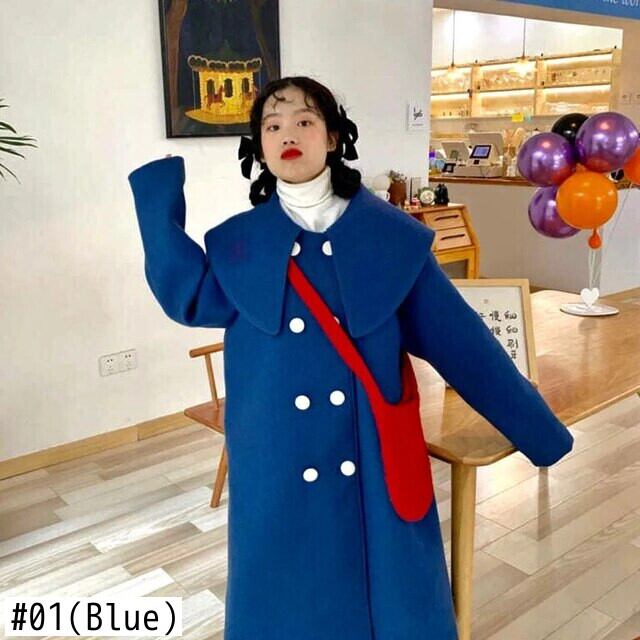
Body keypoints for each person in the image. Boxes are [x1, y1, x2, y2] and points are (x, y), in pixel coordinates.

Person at [128, 76, 574, 640]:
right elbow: (185, 295)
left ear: (333, 136)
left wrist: (540, 433)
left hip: (371, 453)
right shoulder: (239, 245)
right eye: (272, 126)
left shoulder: (390, 239)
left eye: (304, 121)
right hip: (277, 460)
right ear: (259, 147)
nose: (288, 134)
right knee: (285, 599)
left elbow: (466, 347)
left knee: (386, 598)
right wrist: (157, 196)